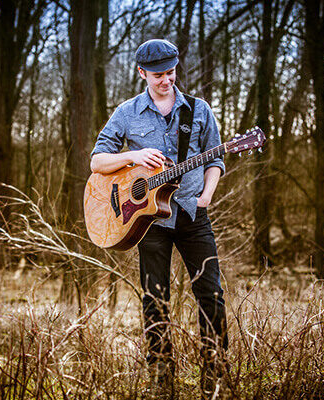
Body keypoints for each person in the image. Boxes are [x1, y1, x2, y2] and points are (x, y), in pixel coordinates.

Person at [90, 39, 228, 398]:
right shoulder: (126, 112)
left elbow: (216, 159)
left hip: (193, 214)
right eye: (157, 75)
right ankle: (160, 376)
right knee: (155, 297)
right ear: (142, 74)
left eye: (170, 72)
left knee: (211, 292)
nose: (166, 80)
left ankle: (215, 373)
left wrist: (207, 194)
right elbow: (97, 161)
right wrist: (134, 155)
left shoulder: (198, 110)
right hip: (148, 220)